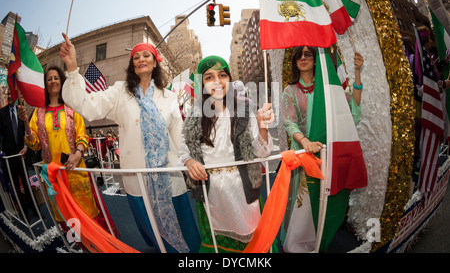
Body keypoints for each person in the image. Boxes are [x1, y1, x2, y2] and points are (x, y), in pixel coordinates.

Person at [59, 33, 200, 253]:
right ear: (132, 64)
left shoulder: (169, 97)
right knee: (155, 235)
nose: (141, 59)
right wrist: (72, 68)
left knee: (186, 235)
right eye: (136, 57)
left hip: (170, 181)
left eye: (146, 55)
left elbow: (179, 137)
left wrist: (188, 161)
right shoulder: (119, 93)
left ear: (154, 62)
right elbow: (86, 106)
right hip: (139, 183)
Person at [179, 55, 275, 253]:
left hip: (242, 189)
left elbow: (262, 152)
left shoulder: (245, 111)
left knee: (254, 243)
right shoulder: (194, 117)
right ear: (201, 83)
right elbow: (183, 150)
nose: (216, 81)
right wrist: (189, 163)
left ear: (229, 80)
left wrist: (262, 128)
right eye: (209, 77)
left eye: (222, 75)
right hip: (212, 193)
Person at [18, 66, 118, 238]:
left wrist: (78, 154)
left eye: (56, 78)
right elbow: (34, 145)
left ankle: (95, 244)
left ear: (61, 82)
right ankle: (81, 245)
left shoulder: (72, 108)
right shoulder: (38, 113)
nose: (53, 81)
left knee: (86, 212)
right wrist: (26, 123)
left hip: (76, 172)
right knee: (67, 216)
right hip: (53, 176)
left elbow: (82, 136)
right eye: (49, 78)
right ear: (46, 84)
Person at [280, 46, 363, 252]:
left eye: (308, 54)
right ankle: (298, 245)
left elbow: (351, 113)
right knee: (305, 203)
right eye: (299, 55)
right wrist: (305, 142)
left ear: (316, 60)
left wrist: (358, 73)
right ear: (294, 62)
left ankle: (322, 239)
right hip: (303, 155)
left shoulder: (328, 90)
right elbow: (289, 123)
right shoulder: (290, 91)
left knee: (326, 198)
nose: (303, 58)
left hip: (328, 153)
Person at [0, 90, 35, 220]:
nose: (9, 97)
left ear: (16, 97)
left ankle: (34, 208)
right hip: (9, 158)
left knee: (27, 184)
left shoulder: (22, 111)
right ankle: (24, 212)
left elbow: (28, 132)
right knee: (15, 185)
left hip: (23, 156)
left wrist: (26, 147)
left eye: (11, 95)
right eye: (7, 95)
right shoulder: (1, 113)